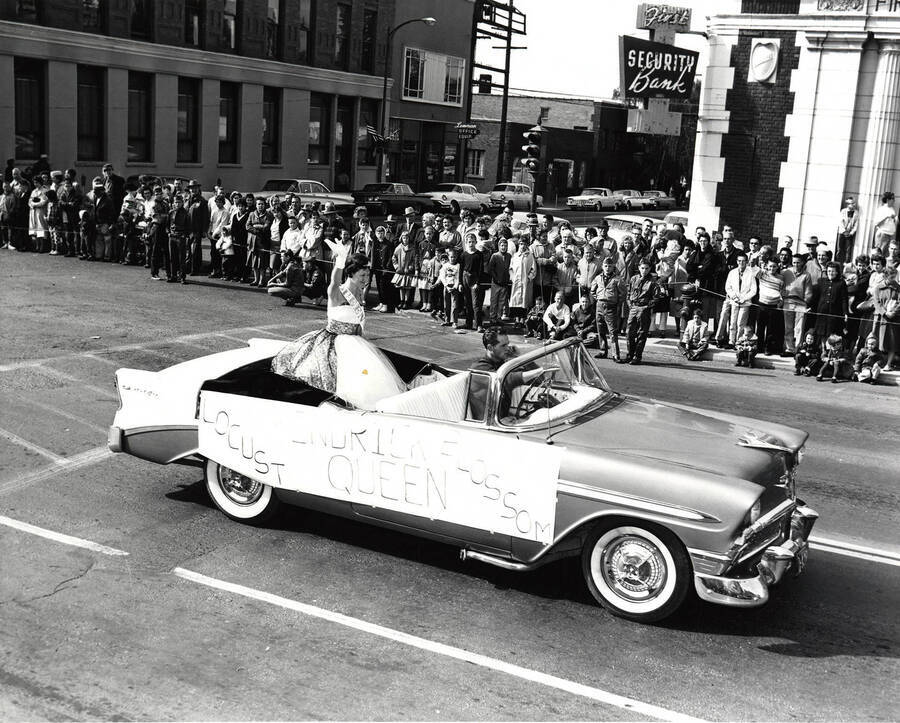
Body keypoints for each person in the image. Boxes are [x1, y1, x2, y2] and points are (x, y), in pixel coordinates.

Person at [271, 251, 406, 409]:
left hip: (356, 343)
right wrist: (341, 260)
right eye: (362, 275)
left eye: (368, 275)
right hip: (334, 343)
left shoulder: (359, 291)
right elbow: (335, 280)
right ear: (350, 273)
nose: (366, 279)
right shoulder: (338, 292)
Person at [468, 329, 558, 421]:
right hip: (489, 424)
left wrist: (518, 357)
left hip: (504, 419)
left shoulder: (502, 363)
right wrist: (541, 370)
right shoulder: (479, 368)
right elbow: (506, 380)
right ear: (490, 348)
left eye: (508, 344)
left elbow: (539, 379)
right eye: (503, 346)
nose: (507, 348)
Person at [622, 259, 662, 365]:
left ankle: (637, 356)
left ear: (650, 269)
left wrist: (647, 306)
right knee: (629, 332)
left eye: (646, 268)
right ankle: (629, 354)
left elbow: (656, 297)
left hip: (644, 309)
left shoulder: (653, 282)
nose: (644, 270)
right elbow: (628, 293)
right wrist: (630, 305)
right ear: (639, 268)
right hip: (634, 307)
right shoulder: (634, 278)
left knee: (641, 333)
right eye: (642, 268)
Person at [590, 256, 622, 361]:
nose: (607, 268)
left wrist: (615, 302)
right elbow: (593, 291)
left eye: (610, 266)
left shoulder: (617, 279)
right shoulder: (598, 278)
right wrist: (599, 298)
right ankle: (603, 350)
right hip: (599, 305)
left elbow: (622, 294)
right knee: (600, 329)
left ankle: (615, 354)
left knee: (612, 331)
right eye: (606, 266)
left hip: (611, 306)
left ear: (613, 267)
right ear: (602, 266)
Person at [722, 253, 757, 347]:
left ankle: (739, 341)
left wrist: (744, 298)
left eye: (743, 261)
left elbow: (753, 290)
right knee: (732, 322)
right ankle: (731, 341)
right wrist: (734, 296)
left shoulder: (750, 274)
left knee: (741, 323)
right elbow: (728, 287)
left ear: (747, 262)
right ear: (737, 261)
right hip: (734, 301)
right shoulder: (732, 272)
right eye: (739, 261)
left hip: (745, 303)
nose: (741, 263)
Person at [781, 255, 813, 354]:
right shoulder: (786, 272)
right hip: (788, 302)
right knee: (788, 327)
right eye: (794, 262)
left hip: (800, 303)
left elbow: (808, 292)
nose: (796, 264)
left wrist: (806, 303)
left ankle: (797, 349)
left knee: (799, 328)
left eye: (798, 262)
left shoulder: (806, 275)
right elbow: (781, 285)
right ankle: (789, 348)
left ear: (802, 263)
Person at [871, 264, 900, 368]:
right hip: (881, 318)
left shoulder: (898, 288)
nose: (893, 279)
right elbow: (876, 302)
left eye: (894, 277)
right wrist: (884, 312)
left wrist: (894, 312)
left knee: (892, 341)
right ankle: (878, 362)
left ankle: (888, 364)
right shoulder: (878, 288)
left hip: (894, 318)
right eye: (891, 277)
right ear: (885, 276)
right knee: (879, 340)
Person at [813, 262, 849, 342]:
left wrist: (845, 312)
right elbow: (816, 297)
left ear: (837, 272)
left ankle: (831, 350)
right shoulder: (821, 281)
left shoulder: (841, 283)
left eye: (833, 271)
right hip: (822, 311)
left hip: (834, 312)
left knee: (832, 332)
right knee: (821, 332)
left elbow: (844, 299)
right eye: (829, 271)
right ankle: (823, 350)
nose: (830, 273)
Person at [487, 238, 512, 324]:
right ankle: (492, 317)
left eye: (505, 246)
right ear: (499, 246)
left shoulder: (509, 256)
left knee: (502, 301)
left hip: (504, 283)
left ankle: (498, 317)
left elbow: (510, 268)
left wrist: (508, 279)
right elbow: (490, 269)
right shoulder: (495, 256)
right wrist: (496, 278)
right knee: (494, 301)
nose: (503, 247)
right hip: (496, 282)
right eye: (502, 245)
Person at [439, 246, 462, 328]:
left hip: (454, 287)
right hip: (446, 286)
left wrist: (455, 286)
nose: (453, 258)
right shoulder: (445, 265)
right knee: (446, 304)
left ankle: (454, 321)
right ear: (448, 257)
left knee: (454, 305)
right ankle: (447, 320)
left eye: (454, 257)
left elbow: (458, 277)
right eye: (451, 257)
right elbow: (442, 276)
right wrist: (446, 286)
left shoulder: (458, 266)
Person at [872, 191, 896, 256]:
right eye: (892, 199)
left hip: (891, 234)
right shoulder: (881, 209)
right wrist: (887, 217)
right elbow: (877, 223)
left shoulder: (892, 209)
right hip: (883, 235)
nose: (894, 201)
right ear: (888, 200)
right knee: (879, 254)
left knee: (887, 255)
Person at [837, 196, 857, 264]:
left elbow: (856, 224)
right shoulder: (843, 211)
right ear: (847, 204)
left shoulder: (856, 213)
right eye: (850, 203)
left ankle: (846, 263)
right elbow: (840, 222)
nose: (852, 205)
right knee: (839, 248)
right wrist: (844, 231)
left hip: (850, 234)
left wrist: (851, 233)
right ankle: (838, 262)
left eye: (853, 203)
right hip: (842, 233)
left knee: (848, 250)